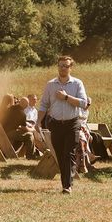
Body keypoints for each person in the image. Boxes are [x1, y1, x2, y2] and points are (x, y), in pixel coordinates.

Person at [36, 56, 88, 194]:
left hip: (72, 123)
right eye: (60, 66)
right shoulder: (50, 84)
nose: (63, 68)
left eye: (66, 66)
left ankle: (67, 185)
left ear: (71, 68)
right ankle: (66, 182)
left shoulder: (77, 84)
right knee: (59, 154)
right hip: (55, 124)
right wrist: (38, 121)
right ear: (57, 67)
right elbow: (44, 105)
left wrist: (66, 97)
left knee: (68, 153)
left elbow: (83, 103)